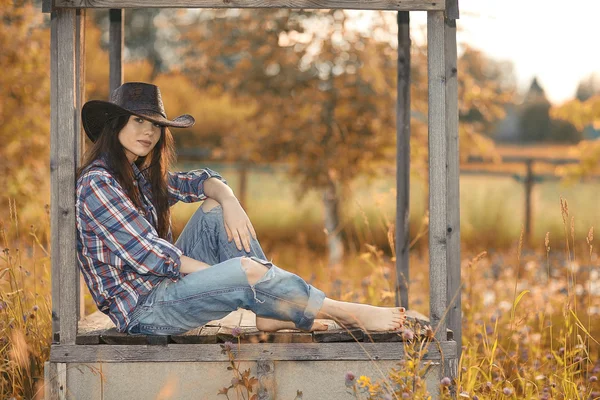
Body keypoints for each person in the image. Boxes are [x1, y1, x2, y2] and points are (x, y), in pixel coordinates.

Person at [76, 82, 406, 336]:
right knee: (246, 271)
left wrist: (229, 199)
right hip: (145, 312)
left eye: (156, 124)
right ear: (115, 123)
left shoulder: (137, 176)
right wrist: (237, 276)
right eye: (138, 121)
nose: (149, 131)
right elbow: (151, 255)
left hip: (162, 288)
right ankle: (345, 312)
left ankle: (269, 311)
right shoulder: (98, 184)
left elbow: (199, 181)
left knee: (216, 209)